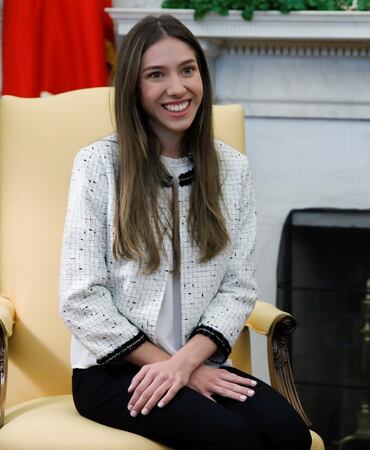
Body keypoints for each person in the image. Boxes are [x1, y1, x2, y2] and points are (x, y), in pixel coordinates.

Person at [58, 15, 311, 450]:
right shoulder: (98, 164)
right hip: (113, 371)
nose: (177, 88)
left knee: (292, 434)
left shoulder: (232, 168)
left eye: (187, 70)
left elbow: (237, 287)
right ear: (134, 88)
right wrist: (172, 367)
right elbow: (81, 298)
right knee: (236, 440)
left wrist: (188, 364)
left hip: (199, 358)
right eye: (156, 75)